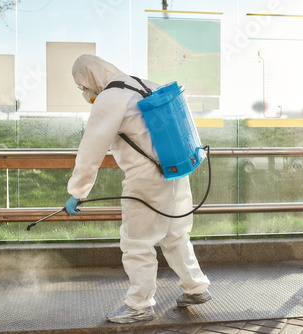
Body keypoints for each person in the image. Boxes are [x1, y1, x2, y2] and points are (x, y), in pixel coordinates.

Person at [65, 54, 211, 324]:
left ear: (90, 77)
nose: (85, 92)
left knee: (136, 243)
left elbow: (91, 149)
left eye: (83, 85)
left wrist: (78, 191)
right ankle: (196, 287)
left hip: (145, 178)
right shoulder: (147, 84)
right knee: (175, 234)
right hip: (176, 170)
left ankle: (139, 305)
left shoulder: (111, 97)